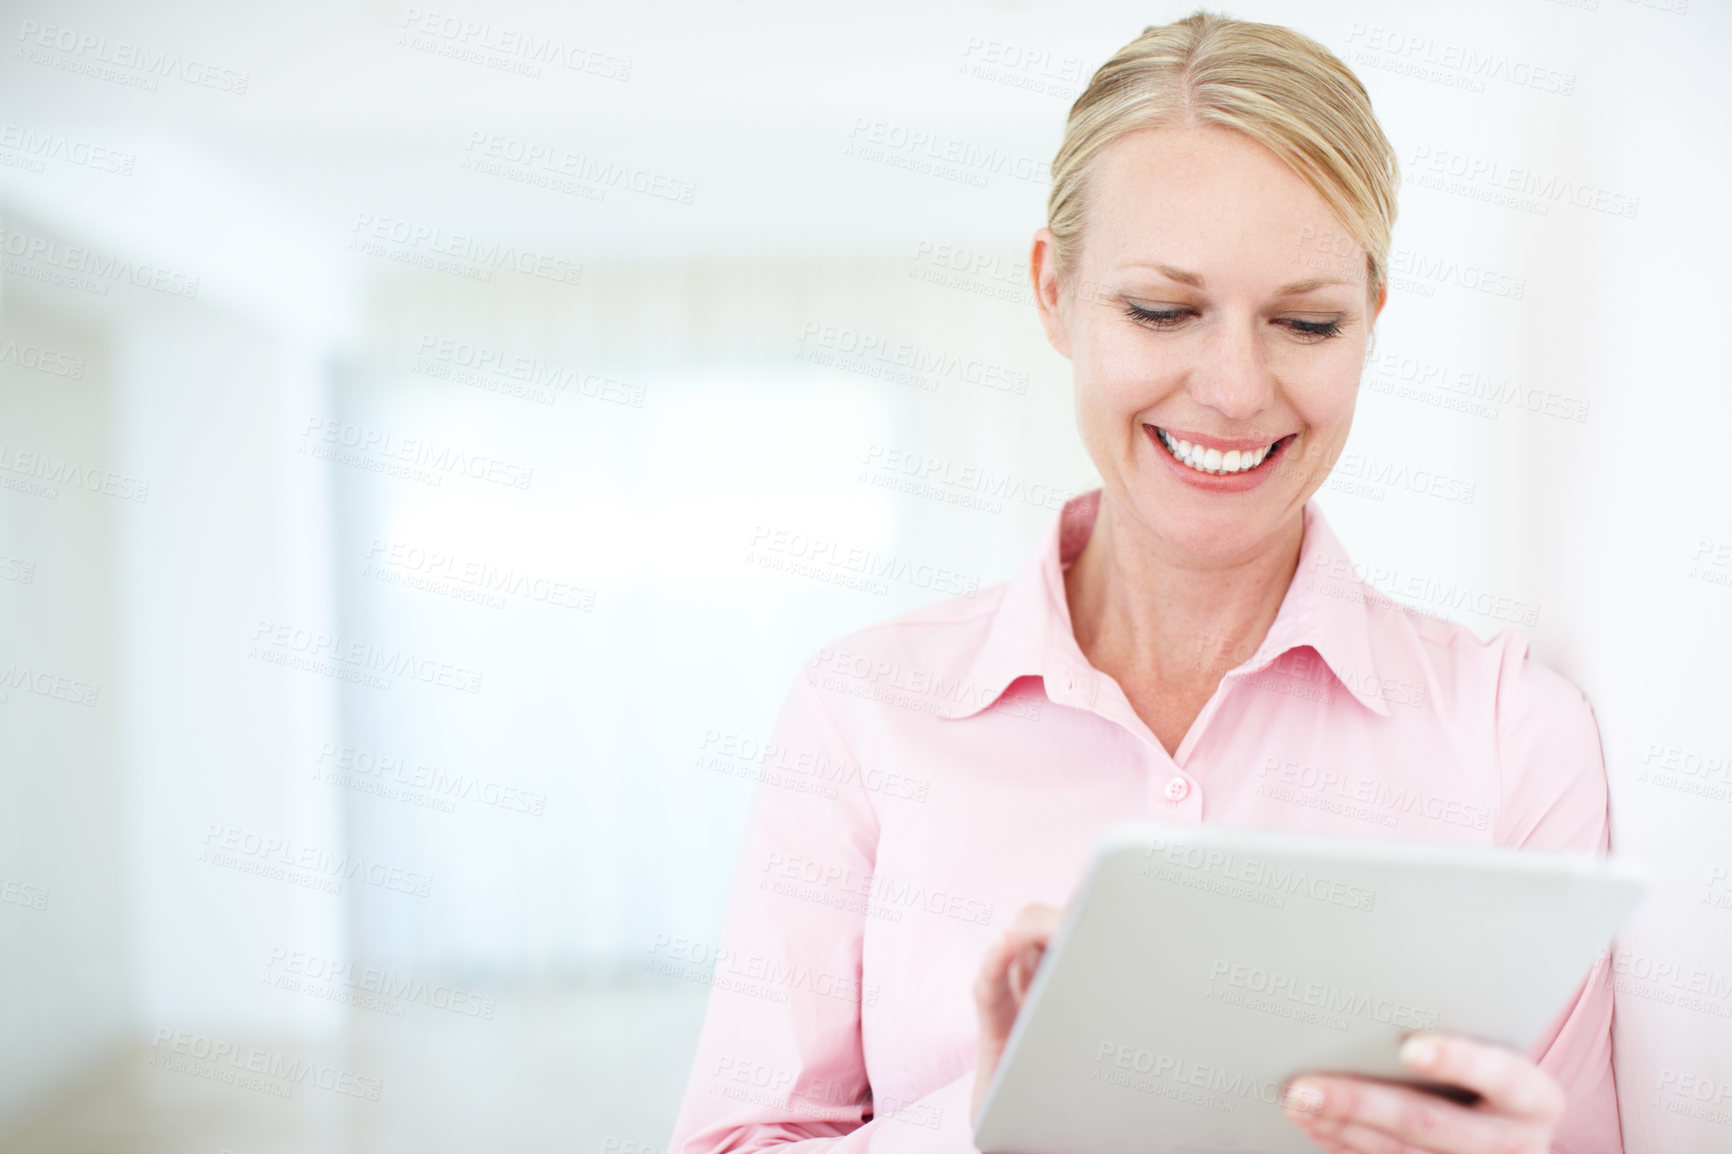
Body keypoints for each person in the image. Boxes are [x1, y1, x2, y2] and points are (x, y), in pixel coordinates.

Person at [669, 11, 1619, 1154]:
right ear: (1053, 292)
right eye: (1161, 310)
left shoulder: (1513, 737)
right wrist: (987, 1118)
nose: (1231, 387)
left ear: (1371, 320)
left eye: (1305, 320)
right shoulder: (862, 713)